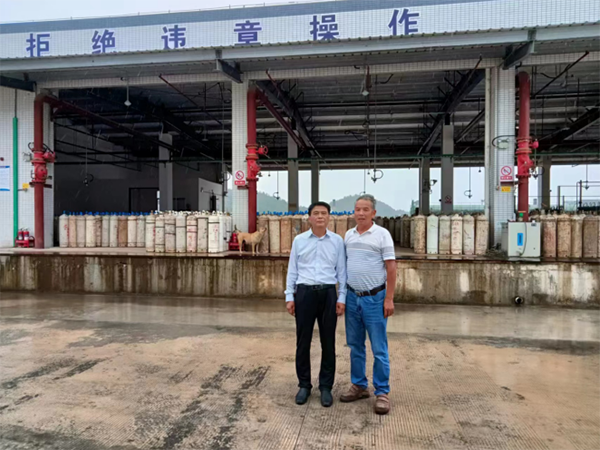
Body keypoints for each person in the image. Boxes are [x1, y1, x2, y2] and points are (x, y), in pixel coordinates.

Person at [285, 201, 347, 407]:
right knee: (303, 341)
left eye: (324, 213)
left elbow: (342, 272)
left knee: (328, 342)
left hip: (328, 293)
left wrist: (341, 298)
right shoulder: (299, 241)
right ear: (309, 217)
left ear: (329, 217)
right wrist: (289, 296)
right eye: (316, 213)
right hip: (304, 293)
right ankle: (304, 385)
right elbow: (292, 270)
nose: (320, 216)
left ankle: (326, 387)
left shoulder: (337, 241)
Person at [340, 194, 396, 415]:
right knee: (355, 345)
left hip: (375, 299)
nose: (361, 213)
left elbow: (391, 267)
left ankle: (382, 392)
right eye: (357, 209)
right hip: (352, 297)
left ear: (373, 213)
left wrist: (389, 298)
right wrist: (342, 297)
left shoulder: (382, 235)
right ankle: (359, 385)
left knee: (379, 347)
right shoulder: (349, 235)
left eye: (365, 209)